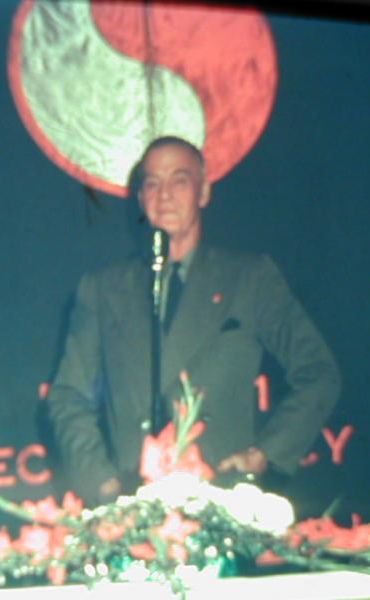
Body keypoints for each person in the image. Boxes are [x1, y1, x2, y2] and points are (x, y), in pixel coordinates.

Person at [46, 136, 340, 506]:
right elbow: (68, 395)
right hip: (132, 509)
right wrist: (103, 483)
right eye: (152, 183)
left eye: (179, 180)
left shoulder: (248, 278)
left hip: (222, 504)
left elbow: (318, 372)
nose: (165, 195)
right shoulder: (103, 289)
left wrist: (264, 454)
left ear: (203, 192)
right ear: (140, 199)